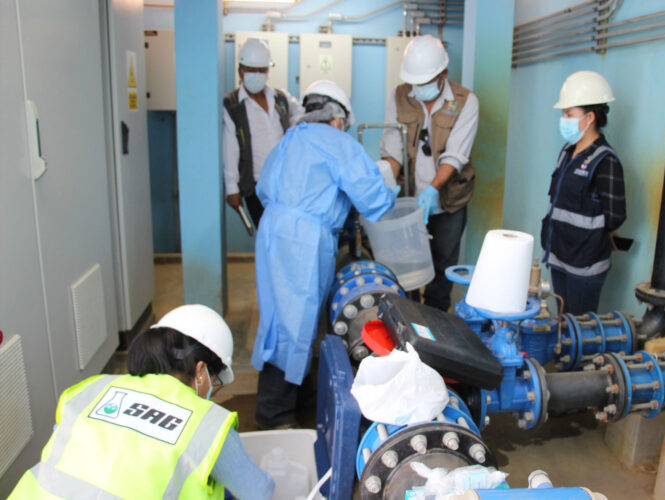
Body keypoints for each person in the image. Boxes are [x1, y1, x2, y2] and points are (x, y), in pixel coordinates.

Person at [9, 304, 274, 500]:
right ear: (201, 371)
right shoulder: (206, 424)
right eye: (215, 383)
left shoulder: (92, 390)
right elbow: (258, 492)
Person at [251, 80, 397, 429]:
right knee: (296, 322)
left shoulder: (291, 138)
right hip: (303, 239)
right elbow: (373, 200)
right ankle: (274, 415)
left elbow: (263, 187)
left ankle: (296, 395)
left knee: (278, 319)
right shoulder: (336, 141)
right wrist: (394, 187)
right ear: (337, 118)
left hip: (272, 230)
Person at [379, 34, 479, 312]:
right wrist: (389, 180)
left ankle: (435, 327)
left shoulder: (465, 101)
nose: (418, 88)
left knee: (441, 270)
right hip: (409, 202)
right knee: (406, 270)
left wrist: (433, 188)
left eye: (425, 82)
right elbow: (393, 145)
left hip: (448, 202)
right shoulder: (399, 96)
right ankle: (408, 321)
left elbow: (456, 153)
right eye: (415, 82)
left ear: (443, 73)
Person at [541, 70, 627, 315]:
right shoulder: (568, 151)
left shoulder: (605, 161)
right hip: (559, 256)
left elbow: (616, 216)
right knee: (563, 322)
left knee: (579, 330)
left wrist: (586, 238)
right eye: (563, 113)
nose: (563, 119)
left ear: (590, 117)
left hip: (585, 265)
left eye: (569, 114)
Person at [223, 38, 303, 229]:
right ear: (240, 70)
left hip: (285, 183)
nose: (257, 74)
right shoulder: (233, 104)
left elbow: (301, 116)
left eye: (262, 69)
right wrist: (231, 188)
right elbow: (230, 149)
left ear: (268, 71)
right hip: (256, 186)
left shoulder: (280, 98)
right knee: (269, 235)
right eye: (251, 69)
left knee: (288, 233)